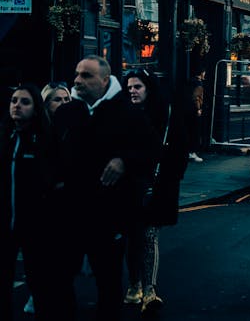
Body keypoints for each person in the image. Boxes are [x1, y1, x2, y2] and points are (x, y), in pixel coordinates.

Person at [53, 55, 154, 321]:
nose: (77, 80)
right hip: (70, 212)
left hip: (109, 215)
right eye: (77, 74)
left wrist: (125, 160)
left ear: (105, 80)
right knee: (60, 278)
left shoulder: (128, 114)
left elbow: (150, 152)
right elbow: (49, 153)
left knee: (108, 284)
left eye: (86, 76)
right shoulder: (66, 113)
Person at [123, 69, 188, 312]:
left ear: (148, 89)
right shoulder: (123, 115)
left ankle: (149, 290)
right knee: (132, 238)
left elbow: (181, 149)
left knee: (149, 237)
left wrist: (170, 179)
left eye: (137, 87)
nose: (132, 91)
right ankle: (134, 284)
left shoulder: (165, 114)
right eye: (129, 87)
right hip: (129, 187)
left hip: (158, 186)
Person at [1, 84, 65, 320]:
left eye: (24, 102)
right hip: (5, 226)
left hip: (36, 228)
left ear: (36, 108)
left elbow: (59, 180)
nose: (17, 105)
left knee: (40, 287)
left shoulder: (45, 140)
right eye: (13, 100)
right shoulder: (5, 136)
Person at [185, 72, 205, 163]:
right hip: (194, 110)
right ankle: (192, 153)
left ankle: (189, 152)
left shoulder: (189, 82)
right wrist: (198, 109)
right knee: (195, 132)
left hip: (188, 110)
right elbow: (196, 97)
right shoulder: (198, 84)